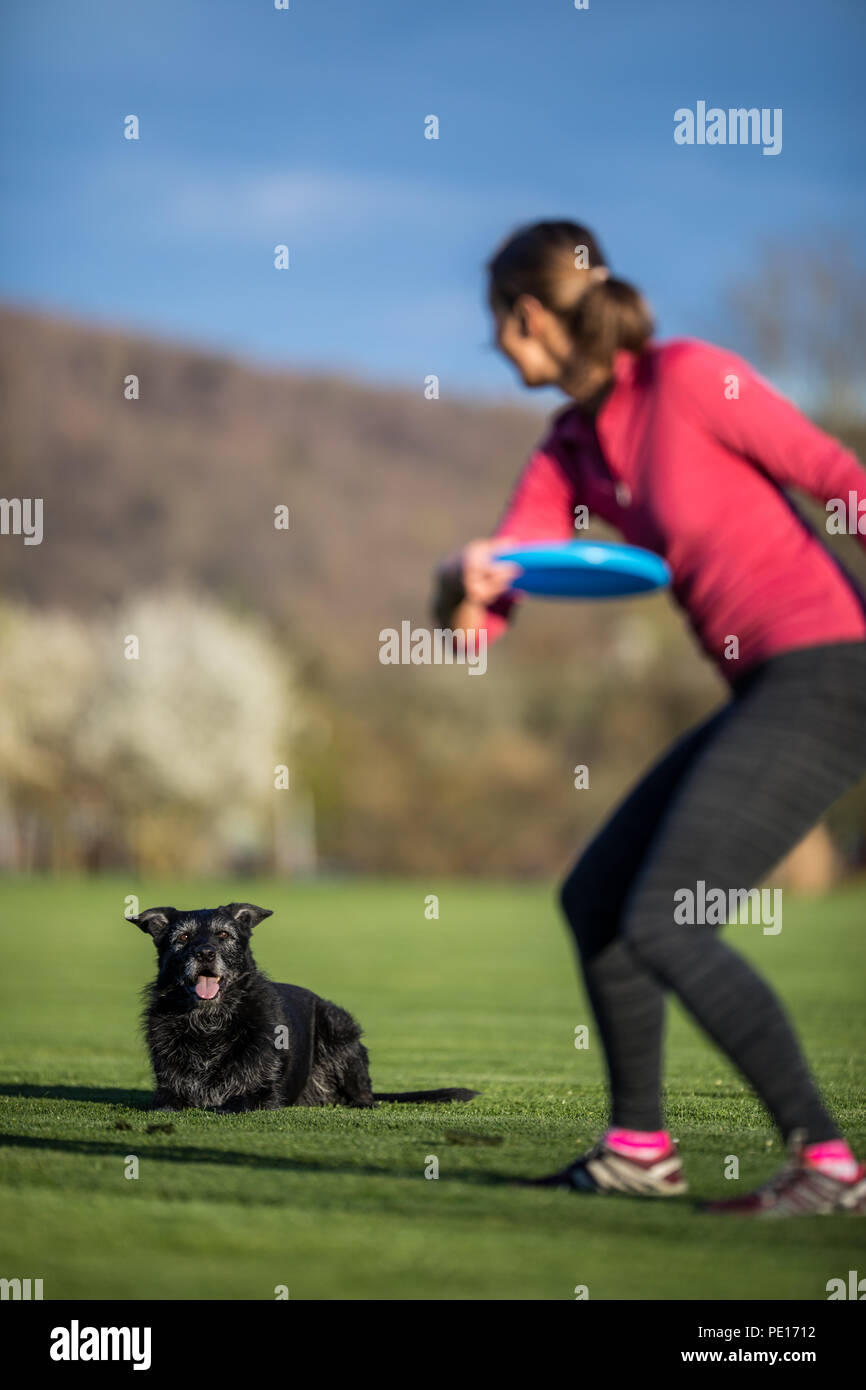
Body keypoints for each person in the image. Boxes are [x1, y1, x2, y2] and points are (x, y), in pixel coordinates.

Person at [433, 220, 866, 1215]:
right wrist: (462, 595)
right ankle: (636, 1149)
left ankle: (830, 1165)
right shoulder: (570, 446)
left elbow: (837, 481)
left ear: (527, 313)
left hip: (831, 669)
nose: (495, 343)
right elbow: (497, 593)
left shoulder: (683, 378)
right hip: (764, 687)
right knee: (596, 903)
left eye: (495, 322)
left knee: (669, 919)